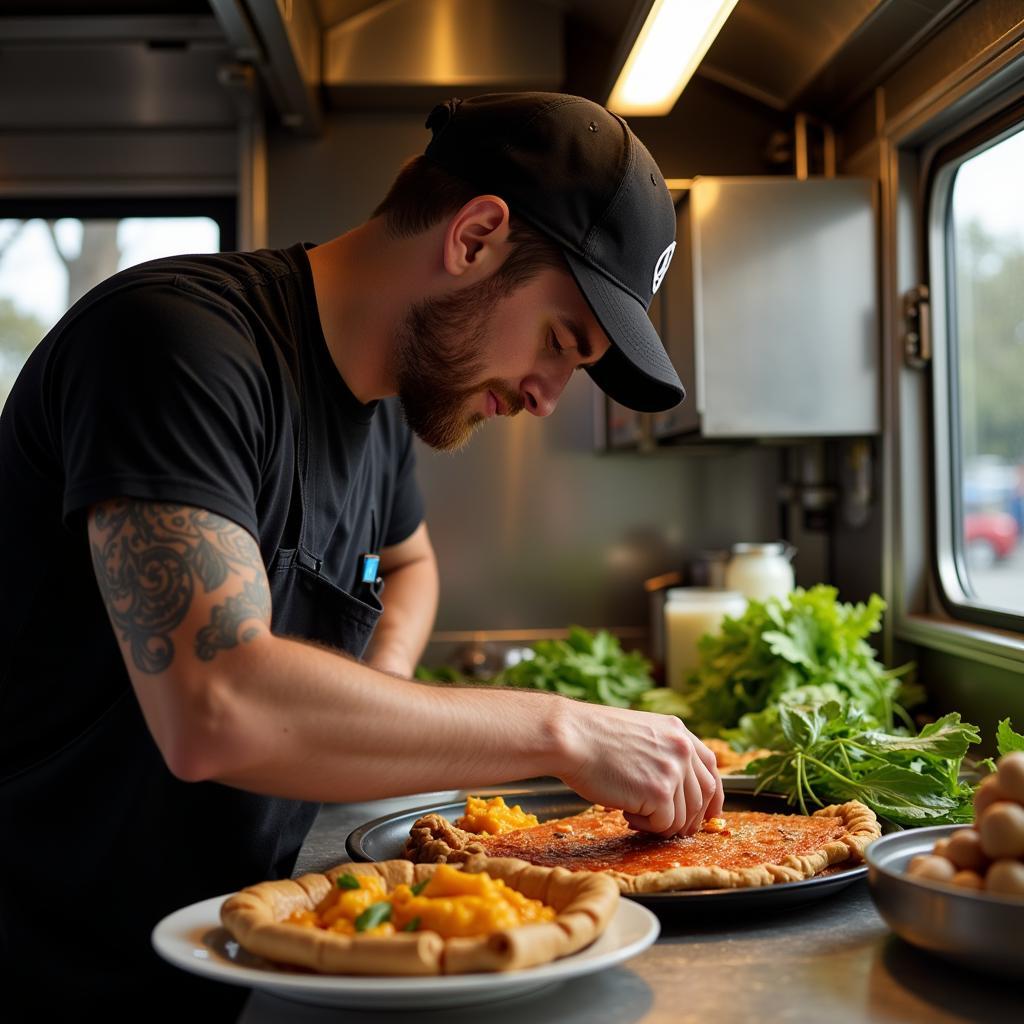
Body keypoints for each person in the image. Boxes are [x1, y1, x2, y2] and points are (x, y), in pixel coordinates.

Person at [0, 92, 722, 1015]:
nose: (548, 397)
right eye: (559, 342)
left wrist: (377, 693)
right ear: (475, 237)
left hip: (240, 935)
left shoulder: (382, 408)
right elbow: (214, 703)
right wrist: (564, 730)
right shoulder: (174, 349)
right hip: (56, 957)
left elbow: (410, 564)